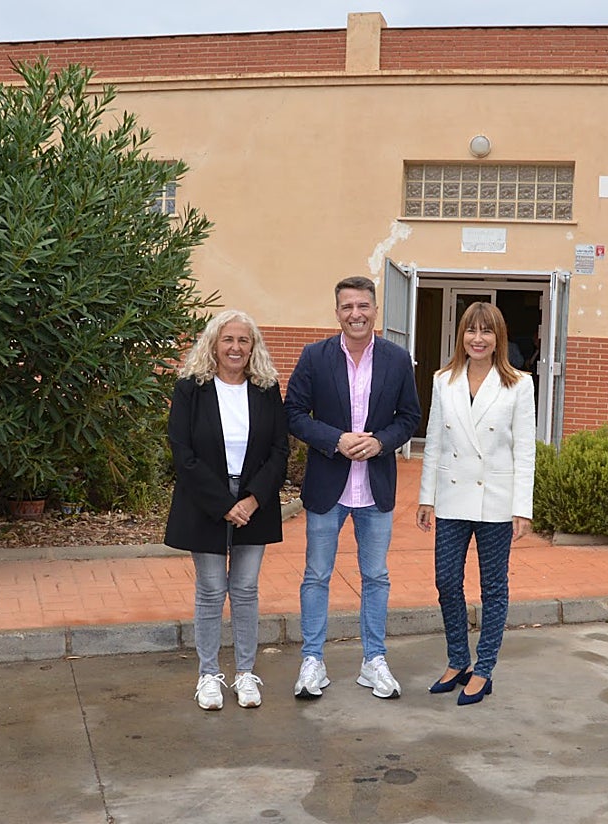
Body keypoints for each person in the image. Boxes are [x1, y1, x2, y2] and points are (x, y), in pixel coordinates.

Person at [285, 275, 422, 700]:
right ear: (337, 312)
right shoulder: (315, 356)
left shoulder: (397, 359)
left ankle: (373, 661)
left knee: (376, 576)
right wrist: (335, 439)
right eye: (347, 307)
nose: (355, 314)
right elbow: (293, 412)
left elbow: (410, 417)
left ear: (375, 310)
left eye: (363, 306)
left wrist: (380, 442)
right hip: (328, 487)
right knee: (316, 575)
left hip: (375, 490)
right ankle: (312, 660)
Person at [163, 309, 288, 711]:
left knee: (246, 589)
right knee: (212, 589)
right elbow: (182, 452)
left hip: (255, 501)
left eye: (243, 340)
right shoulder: (191, 389)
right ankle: (208, 675)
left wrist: (251, 499)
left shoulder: (266, 389)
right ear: (214, 344)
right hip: (205, 499)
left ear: (253, 347)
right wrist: (224, 504)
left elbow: (279, 451)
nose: (235, 347)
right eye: (228, 339)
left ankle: (246, 673)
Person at [415, 301, 536, 706]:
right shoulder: (443, 380)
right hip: (452, 497)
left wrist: (522, 508)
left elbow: (525, 451)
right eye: (471, 330)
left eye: (486, 331)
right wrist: (427, 497)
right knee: (447, 581)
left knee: (493, 588)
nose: (478, 338)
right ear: (461, 335)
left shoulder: (519, 384)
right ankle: (457, 660)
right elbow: (434, 442)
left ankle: (483, 669)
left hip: (496, 500)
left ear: (498, 338)